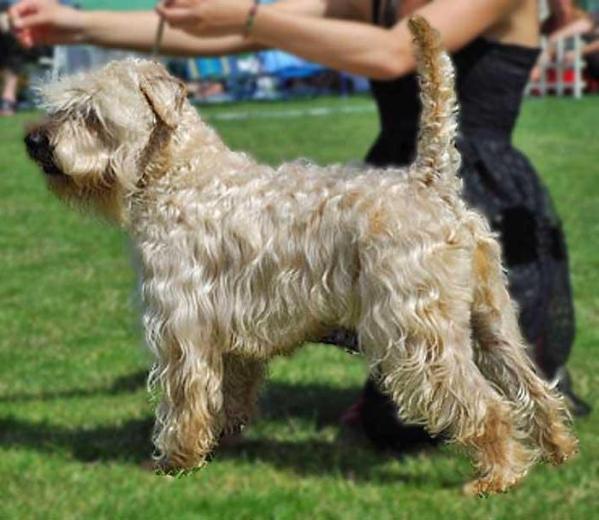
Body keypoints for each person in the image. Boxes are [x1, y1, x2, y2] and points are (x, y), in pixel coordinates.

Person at [9, 0, 590, 453]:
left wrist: (249, 15)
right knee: (399, 423)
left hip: (478, 190)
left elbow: (393, 53)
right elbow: (235, 32)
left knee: (450, 378)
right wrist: (77, 23)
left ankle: (537, 399)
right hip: (380, 193)